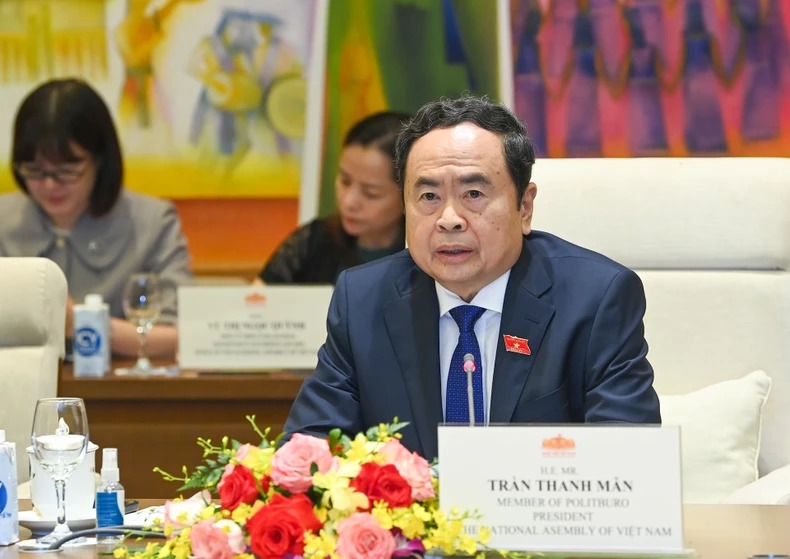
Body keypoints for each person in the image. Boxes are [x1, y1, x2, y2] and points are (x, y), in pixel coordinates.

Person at [284, 94, 660, 461]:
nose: (449, 219)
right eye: (429, 197)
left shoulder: (595, 299)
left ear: (524, 207)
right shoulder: (363, 300)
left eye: (474, 193)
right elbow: (309, 451)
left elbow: (629, 461)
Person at [0, 78, 193, 358]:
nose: (50, 185)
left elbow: (180, 336)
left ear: (100, 160)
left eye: (67, 170)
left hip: (120, 383)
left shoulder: (152, 223)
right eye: (35, 170)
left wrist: (80, 323)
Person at [259, 111, 411, 284]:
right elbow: (258, 296)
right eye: (345, 181)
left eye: (370, 193)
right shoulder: (314, 240)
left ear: (409, 195)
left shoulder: (427, 257)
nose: (348, 201)